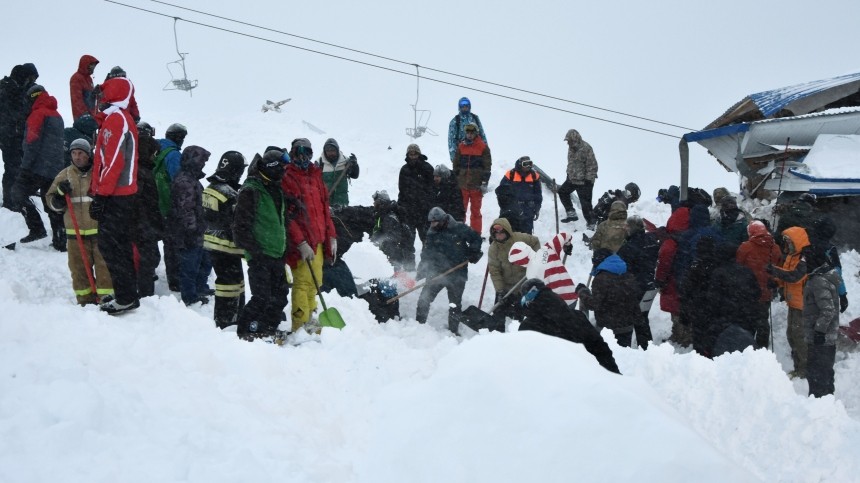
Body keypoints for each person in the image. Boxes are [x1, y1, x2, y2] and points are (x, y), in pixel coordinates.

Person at [89, 76, 140, 315]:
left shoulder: (118, 119)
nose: (99, 98)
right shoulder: (112, 119)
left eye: (103, 93)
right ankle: (125, 293)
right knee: (116, 246)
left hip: (118, 194)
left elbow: (113, 162)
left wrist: (101, 195)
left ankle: (127, 295)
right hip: (117, 194)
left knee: (112, 246)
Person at [45, 138, 113, 305]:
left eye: (81, 153)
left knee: (104, 268)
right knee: (78, 269)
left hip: (98, 231)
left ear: (88, 155)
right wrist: (59, 196)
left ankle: (107, 297)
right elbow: (50, 200)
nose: (77, 157)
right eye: (74, 153)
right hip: (75, 234)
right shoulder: (65, 175)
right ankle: (85, 300)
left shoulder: (99, 173)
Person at [233, 150, 291, 339]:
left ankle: (267, 329)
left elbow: (280, 220)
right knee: (261, 297)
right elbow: (241, 226)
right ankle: (246, 331)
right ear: (273, 167)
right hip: (260, 254)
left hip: (277, 253)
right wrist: (255, 252)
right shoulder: (251, 190)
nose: (284, 171)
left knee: (279, 297)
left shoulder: (276, 188)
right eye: (282, 167)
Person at [282, 138, 337, 333]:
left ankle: (311, 318)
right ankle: (300, 325)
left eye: (307, 152)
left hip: (320, 240)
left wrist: (332, 236)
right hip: (303, 243)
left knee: (316, 282)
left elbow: (324, 208)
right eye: (299, 152)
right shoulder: (288, 176)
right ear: (292, 153)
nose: (303, 157)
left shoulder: (316, 175)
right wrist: (300, 242)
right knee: (303, 283)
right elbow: (288, 216)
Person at [518, 279, 620, 374]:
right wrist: (616, 377)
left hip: (554, 385)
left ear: (529, 299)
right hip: (585, 379)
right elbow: (601, 349)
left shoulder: (528, 327)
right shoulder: (578, 317)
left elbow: (524, 364)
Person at [8, 84, 65, 248]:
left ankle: (37, 228)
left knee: (17, 194)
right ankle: (60, 239)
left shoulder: (37, 114)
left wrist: (24, 168)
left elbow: (31, 143)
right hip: (55, 168)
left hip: (36, 168)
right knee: (51, 203)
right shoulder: (57, 115)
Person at [415, 207, 483, 335]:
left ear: (443, 220)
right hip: (436, 274)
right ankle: (418, 326)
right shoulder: (432, 233)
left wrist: (473, 253)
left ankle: (453, 331)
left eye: (435, 222)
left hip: (457, 274)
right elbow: (426, 254)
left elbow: (476, 239)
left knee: (454, 304)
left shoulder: (459, 228)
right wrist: (421, 271)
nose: (433, 225)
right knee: (424, 299)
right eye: (431, 223)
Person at [203, 151, 247, 326]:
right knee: (229, 286)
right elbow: (236, 221)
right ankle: (226, 321)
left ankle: (232, 317)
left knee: (234, 283)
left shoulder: (211, 187)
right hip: (227, 247)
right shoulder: (230, 193)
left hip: (213, 244)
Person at [767, 226, 811, 378]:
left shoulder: (805, 258)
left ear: (797, 242)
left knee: (799, 337)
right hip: (793, 303)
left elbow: (794, 276)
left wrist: (774, 271)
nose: (787, 246)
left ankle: (804, 369)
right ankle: (798, 365)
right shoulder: (792, 256)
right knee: (791, 335)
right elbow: (786, 277)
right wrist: (777, 282)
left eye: (789, 242)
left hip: (802, 305)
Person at [576, 248, 640, 347]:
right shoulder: (627, 273)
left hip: (609, 328)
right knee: (625, 355)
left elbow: (594, 304)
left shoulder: (601, 279)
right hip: (628, 325)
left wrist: (582, 293)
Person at [802, 243, 841, 397]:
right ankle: (827, 402)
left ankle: (818, 404)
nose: (803, 262)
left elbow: (828, 309)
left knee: (816, 373)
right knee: (825, 372)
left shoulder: (818, 281)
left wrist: (819, 331)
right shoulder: (827, 275)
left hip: (821, 338)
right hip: (827, 337)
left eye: (806, 259)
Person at [617, 216, 661, 349]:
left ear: (631, 228)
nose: (625, 229)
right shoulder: (651, 241)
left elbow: (620, 266)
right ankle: (646, 348)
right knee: (642, 318)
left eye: (627, 227)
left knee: (630, 320)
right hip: (649, 285)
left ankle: (629, 350)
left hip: (635, 287)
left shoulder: (628, 247)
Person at [736, 220, 782, 348]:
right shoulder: (775, 247)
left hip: (748, 291)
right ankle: (762, 348)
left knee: (748, 321)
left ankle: (747, 347)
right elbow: (778, 267)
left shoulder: (745, 247)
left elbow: (738, 266)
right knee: (762, 320)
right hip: (766, 290)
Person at [154, 122, 188, 291]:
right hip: (170, 205)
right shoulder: (173, 155)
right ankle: (176, 281)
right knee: (174, 244)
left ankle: (165, 275)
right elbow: (179, 180)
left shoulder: (156, 149)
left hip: (155, 203)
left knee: (166, 243)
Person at [487, 217, 540, 322]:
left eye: (501, 233)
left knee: (522, 314)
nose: (499, 236)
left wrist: (535, 260)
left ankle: (519, 334)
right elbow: (495, 271)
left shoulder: (520, 238)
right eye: (496, 234)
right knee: (498, 313)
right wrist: (500, 290)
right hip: (506, 287)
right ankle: (496, 333)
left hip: (524, 284)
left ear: (507, 231)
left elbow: (535, 241)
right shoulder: (494, 249)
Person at [133, 122, 164, 298]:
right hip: (143, 225)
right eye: (154, 153)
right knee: (146, 260)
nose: (155, 157)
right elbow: (145, 202)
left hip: (142, 224)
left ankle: (145, 291)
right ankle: (146, 295)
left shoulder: (138, 170)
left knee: (146, 259)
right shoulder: (142, 172)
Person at [1, 64, 38, 207]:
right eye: (31, 78)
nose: (31, 81)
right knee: (12, 167)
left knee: (19, 165)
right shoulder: (8, 88)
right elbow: (11, 113)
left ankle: (17, 196)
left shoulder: (15, 88)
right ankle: (10, 201)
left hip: (14, 135)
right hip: (9, 136)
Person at [508, 232, 577, 305]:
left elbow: (538, 295)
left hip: (559, 305)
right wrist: (567, 245)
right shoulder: (547, 248)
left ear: (520, 261)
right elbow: (564, 235)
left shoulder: (531, 274)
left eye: (516, 263)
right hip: (573, 295)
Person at [655, 206, 691, 345]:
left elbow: (664, 262)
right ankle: (685, 334)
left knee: (676, 310)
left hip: (673, 280)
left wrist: (659, 280)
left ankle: (680, 336)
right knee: (684, 307)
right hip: (689, 277)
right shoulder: (690, 237)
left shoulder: (670, 242)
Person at [325, 204, 374, 297]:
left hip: (334, 259)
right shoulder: (337, 222)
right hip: (327, 261)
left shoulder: (341, 220)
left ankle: (350, 298)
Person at [452, 122, 492, 233]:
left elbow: (487, 167)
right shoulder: (461, 146)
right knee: (461, 211)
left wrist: (484, 182)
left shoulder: (483, 147)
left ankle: (475, 235)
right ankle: (460, 233)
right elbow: (456, 164)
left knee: (475, 212)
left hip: (476, 186)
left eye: (471, 132)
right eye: (467, 132)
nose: (469, 135)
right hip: (462, 185)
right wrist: (456, 178)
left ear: (476, 133)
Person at [397, 143, 434, 250]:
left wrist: (429, 205)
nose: (413, 156)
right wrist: (400, 206)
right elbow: (402, 190)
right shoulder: (404, 170)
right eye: (411, 154)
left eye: (415, 154)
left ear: (419, 154)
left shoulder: (427, 168)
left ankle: (428, 263)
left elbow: (432, 189)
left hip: (424, 211)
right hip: (409, 211)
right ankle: (409, 265)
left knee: (427, 239)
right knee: (408, 240)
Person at [558, 129, 598, 224]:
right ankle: (571, 213)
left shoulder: (586, 148)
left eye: (569, 140)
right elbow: (572, 163)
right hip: (572, 180)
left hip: (584, 182)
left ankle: (591, 223)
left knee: (586, 205)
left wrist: (588, 180)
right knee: (562, 192)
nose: (567, 143)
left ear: (574, 139)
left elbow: (592, 165)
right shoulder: (571, 149)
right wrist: (569, 174)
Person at [495, 156, 542, 234]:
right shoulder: (511, 174)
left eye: (530, 164)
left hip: (528, 209)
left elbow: (538, 194)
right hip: (512, 209)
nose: (528, 166)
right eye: (525, 164)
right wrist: (507, 207)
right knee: (510, 232)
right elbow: (501, 192)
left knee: (526, 235)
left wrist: (537, 208)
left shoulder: (534, 176)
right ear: (520, 164)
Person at [370, 190, 415, 273]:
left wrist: (379, 243)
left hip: (401, 260)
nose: (374, 205)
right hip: (398, 256)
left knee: (401, 281)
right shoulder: (382, 215)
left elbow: (393, 240)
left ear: (381, 203)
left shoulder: (389, 218)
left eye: (376, 203)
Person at [317, 138, 358, 207]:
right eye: (328, 151)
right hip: (326, 205)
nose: (330, 153)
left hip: (342, 204)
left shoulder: (345, 161)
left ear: (337, 150)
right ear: (325, 151)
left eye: (333, 150)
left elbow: (354, 175)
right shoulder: (319, 163)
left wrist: (355, 165)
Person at [447, 96, 486, 161]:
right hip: (462, 157)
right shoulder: (455, 121)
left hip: (476, 156)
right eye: (462, 104)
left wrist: (485, 155)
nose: (465, 106)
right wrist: (455, 160)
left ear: (469, 106)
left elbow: (482, 136)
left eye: (467, 104)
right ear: (459, 107)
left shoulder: (475, 118)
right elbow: (451, 141)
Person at [69, 54, 99, 120]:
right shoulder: (76, 78)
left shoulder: (89, 79)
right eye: (92, 65)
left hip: (90, 118)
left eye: (94, 65)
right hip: (82, 119)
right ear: (86, 64)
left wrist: (95, 94)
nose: (93, 67)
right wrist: (85, 115)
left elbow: (89, 100)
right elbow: (76, 100)